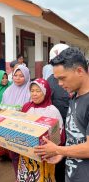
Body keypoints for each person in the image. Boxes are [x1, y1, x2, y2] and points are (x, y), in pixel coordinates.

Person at [34, 47, 89, 182]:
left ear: (79, 71)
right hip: (72, 174)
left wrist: (58, 150)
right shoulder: (74, 96)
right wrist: (63, 153)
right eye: (57, 79)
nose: (59, 84)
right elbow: (76, 138)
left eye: (62, 78)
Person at [17, 78, 64, 182]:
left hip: (45, 156)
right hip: (26, 153)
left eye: (38, 91)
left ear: (46, 92)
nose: (34, 94)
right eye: (32, 91)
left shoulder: (52, 111)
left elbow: (59, 136)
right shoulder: (26, 107)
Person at [1, 65, 31, 177]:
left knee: (26, 156)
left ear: (27, 77)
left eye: (21, 76)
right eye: (15, 75)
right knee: (14, 156)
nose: (17, 78)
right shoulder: (7, 91)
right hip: (11, 129)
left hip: (25, 130)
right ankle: (18, 177)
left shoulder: (30, 91)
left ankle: (27, 177)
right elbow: (3, 109)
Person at [47, 44, 70, 182]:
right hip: (59, 131)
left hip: (77, 133)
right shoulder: (50, 80)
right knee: (60, 168)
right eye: (54, 62)